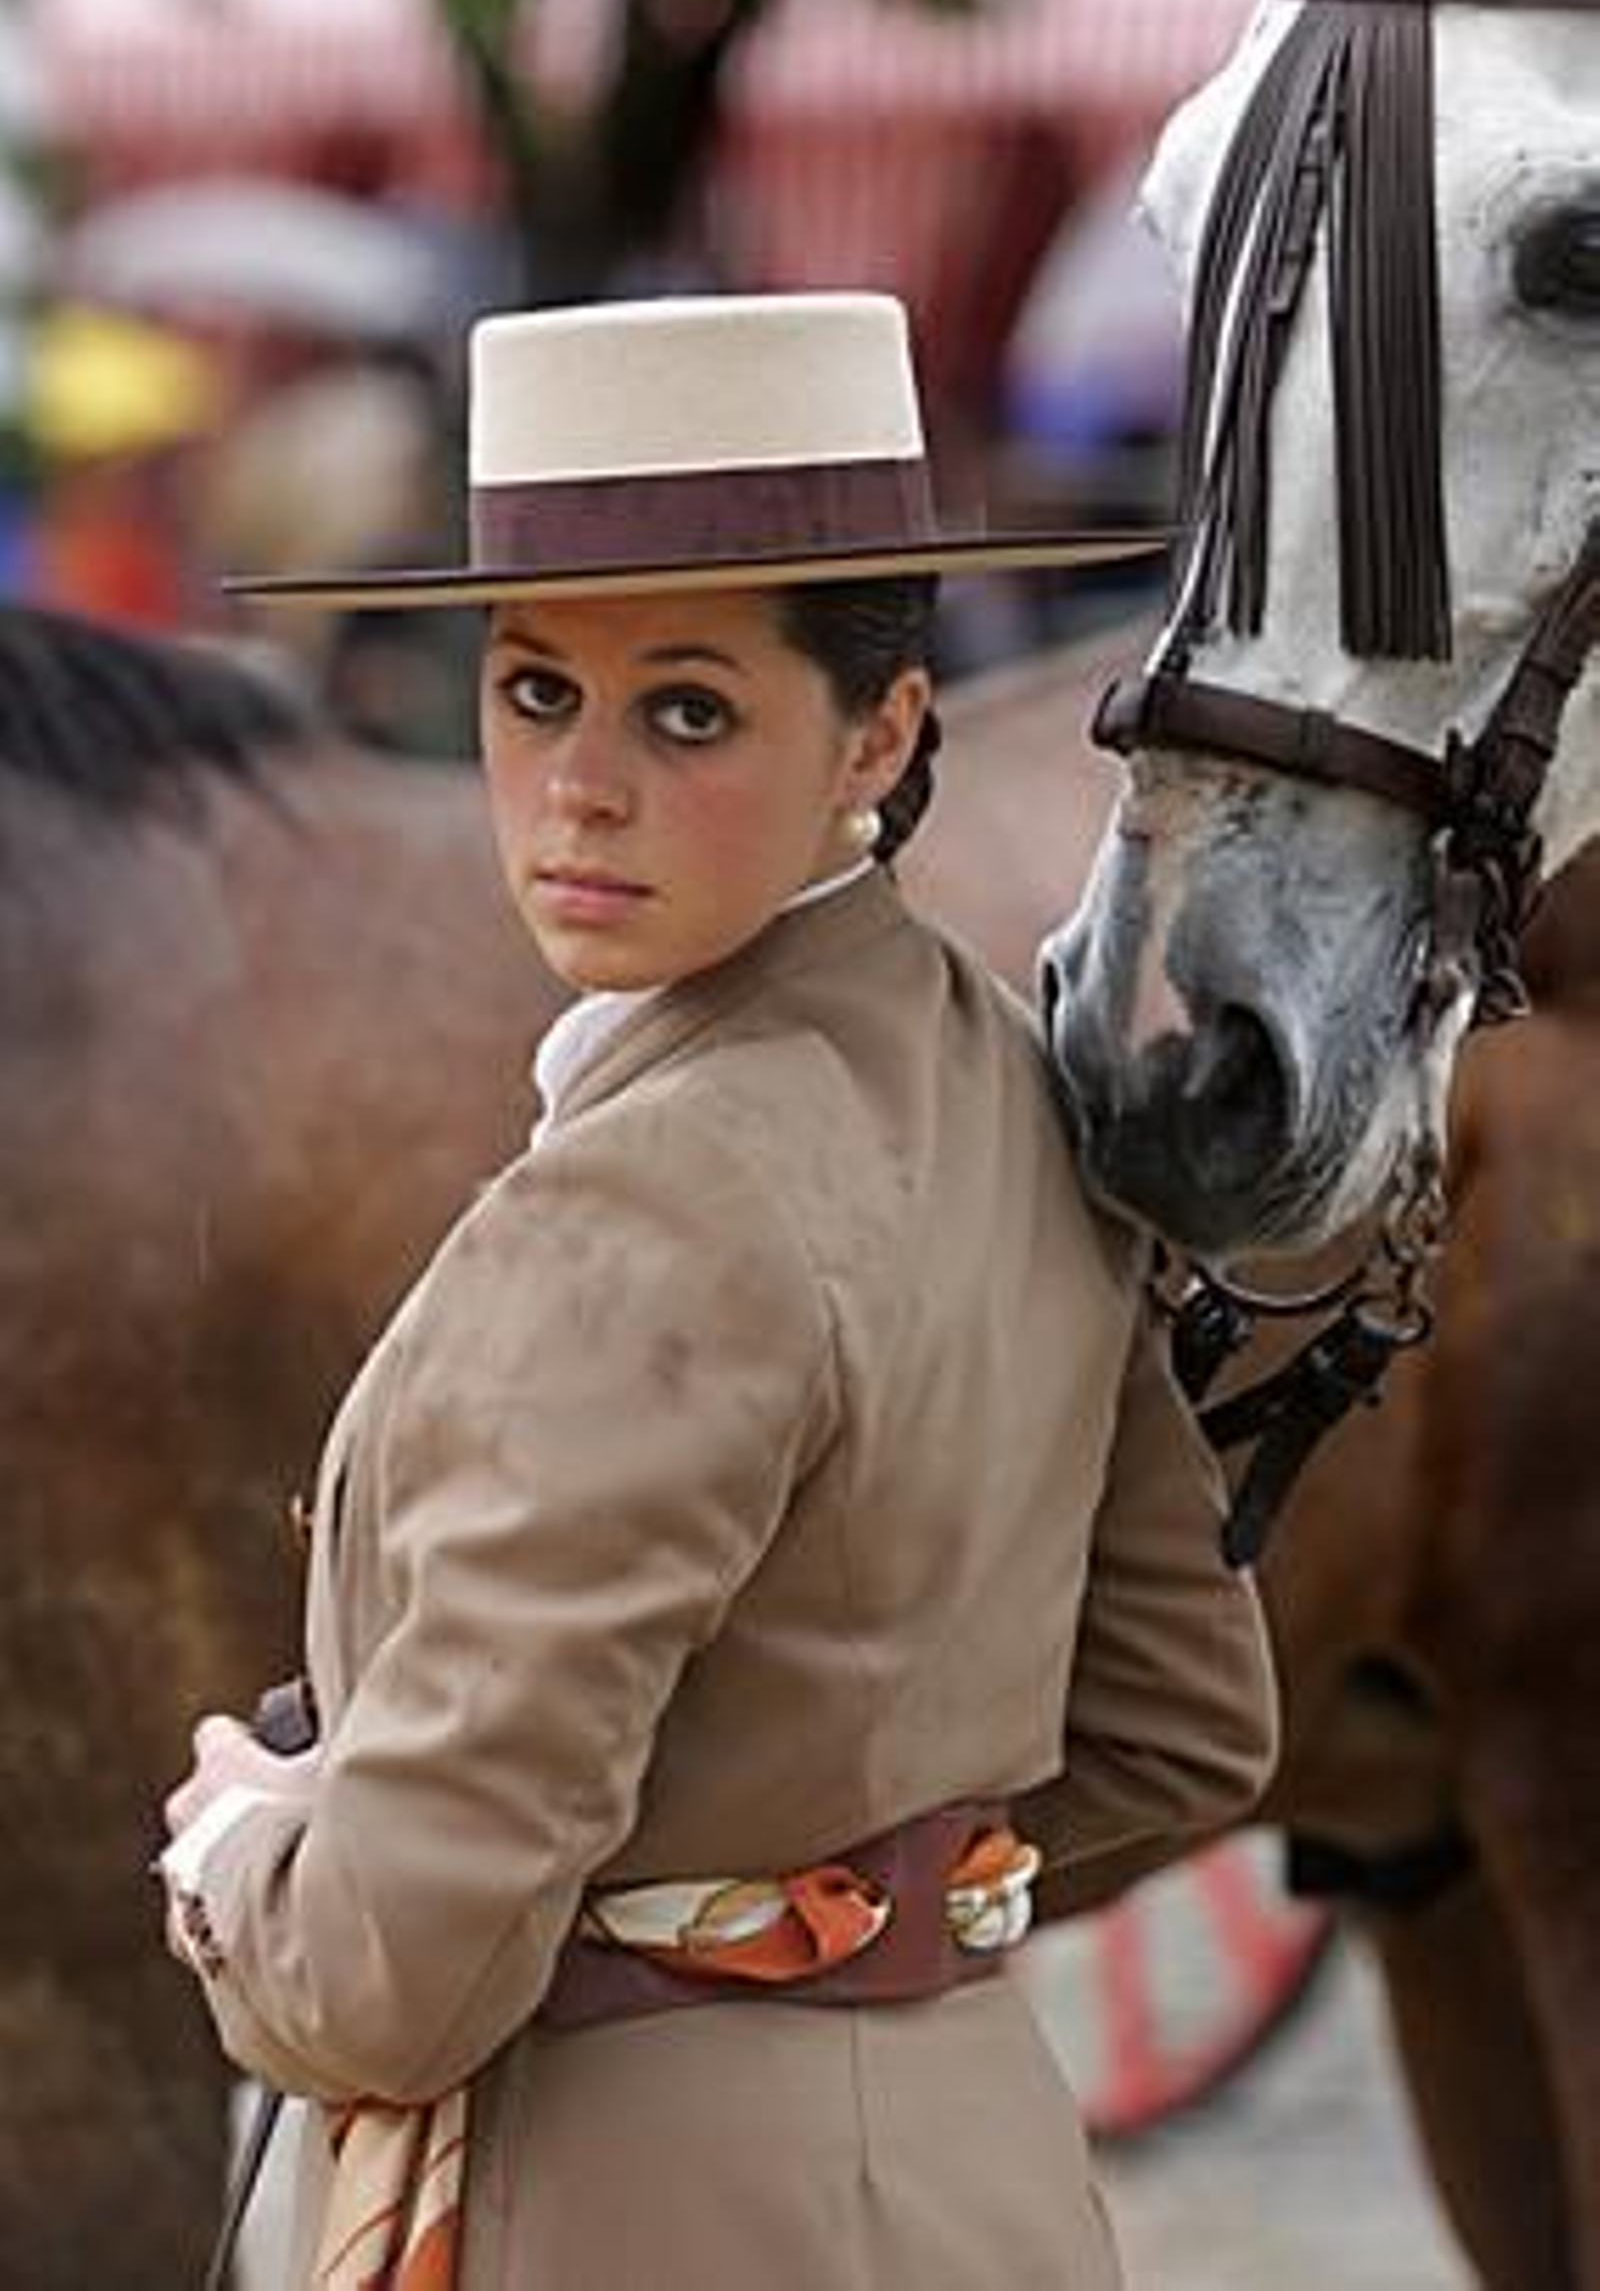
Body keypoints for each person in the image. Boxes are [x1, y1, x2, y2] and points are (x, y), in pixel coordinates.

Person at [158, 292, 1277, 2289]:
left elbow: (382, 1983)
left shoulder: (653, 1199)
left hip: (639, 2207)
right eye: (529, 693)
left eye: (684, 709)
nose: (578, 789)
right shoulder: (1002, 1069)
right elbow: (1177, 1729)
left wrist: (243, 1843)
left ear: (880, 728)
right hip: (975, 2175)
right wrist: (852, 1916)